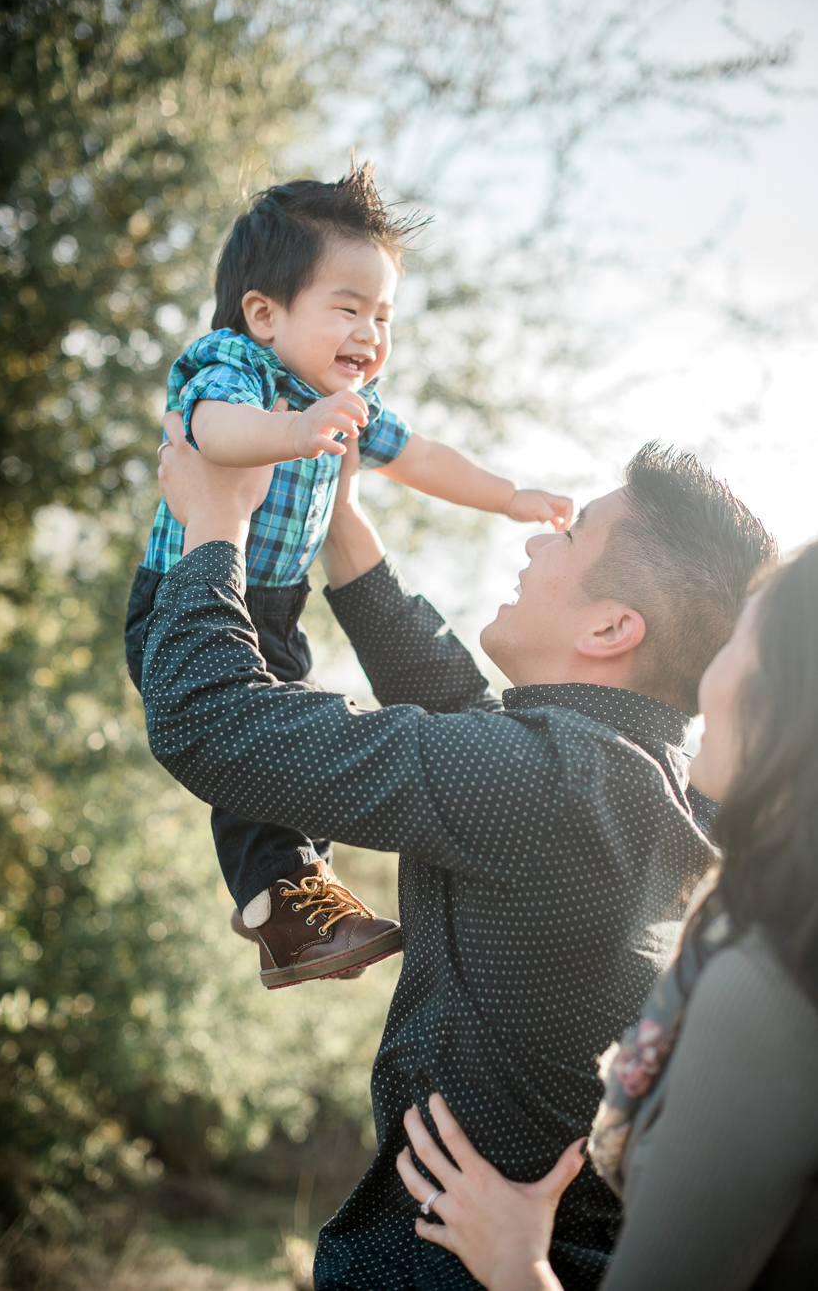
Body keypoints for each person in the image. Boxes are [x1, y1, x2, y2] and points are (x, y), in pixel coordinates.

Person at [143, 419, 775, 1290]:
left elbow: (207, 720)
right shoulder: (635, 783)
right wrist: (344, 522)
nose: (536, 539)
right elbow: (462, 713)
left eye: (572, 530)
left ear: (610, 628)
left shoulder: (550, 786)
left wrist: (214, 528)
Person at [125, 163, 572, 990]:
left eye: (383, 315)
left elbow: (425, 457)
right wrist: (294, 432)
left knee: (286, 739)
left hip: (275, 605)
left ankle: (292, 910)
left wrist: (508, 497)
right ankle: (280, 904)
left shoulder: (350, 400)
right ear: (264, 313)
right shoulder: (236, 367)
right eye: (348, 308)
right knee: (252, 743)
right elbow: (208, 432)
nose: (371, 333)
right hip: (185, 593)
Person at [396, 539, 818, 1291]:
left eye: (742, 641)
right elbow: (478, 733)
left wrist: (514, 1258)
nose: (706, 678)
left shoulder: (769, 989)